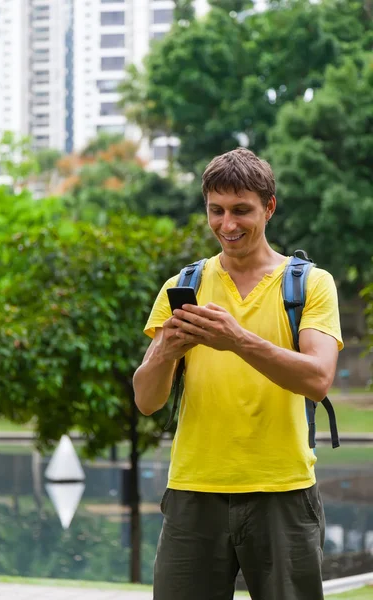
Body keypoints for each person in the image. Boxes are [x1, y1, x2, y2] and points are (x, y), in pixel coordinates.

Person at [133, 147, 343, 600]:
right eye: (217, 211)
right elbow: (147, 400)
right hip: (193, 491)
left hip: (283, 491)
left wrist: (237, 340)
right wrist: (164, 352)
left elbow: (317, 378)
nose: (227, 225)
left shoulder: (309, 283)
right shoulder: (181, 287)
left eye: (241, 211)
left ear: (269, 207)